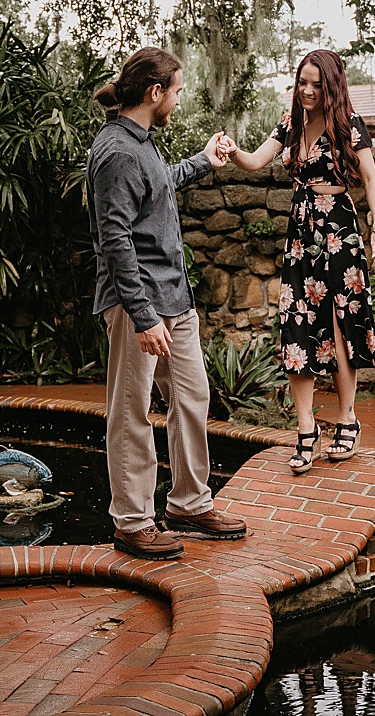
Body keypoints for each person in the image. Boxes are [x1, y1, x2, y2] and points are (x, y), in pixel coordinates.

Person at [86, 47, 249, 560]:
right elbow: (115, 241)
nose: (178, 100)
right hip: (141, 307)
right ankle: (132, 521)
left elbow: (158, 189)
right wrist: (141, 315)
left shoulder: (142, 145)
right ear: (155, 93)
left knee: (192, 400)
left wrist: (204, 161)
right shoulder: (115, 152)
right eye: (176, 91)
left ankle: (189, 504)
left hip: (175, 301)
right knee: (131, 411)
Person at [220, 49, 375, 475]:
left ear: (330, 85)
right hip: (301, 234)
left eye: (316, 83)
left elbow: (371, 179)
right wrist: (232, 150)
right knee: (297, 321)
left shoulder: (348, 124)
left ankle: (348, 418)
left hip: (339, 229)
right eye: (302, 82)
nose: (308, 90)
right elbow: (257, 161)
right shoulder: (290, 123)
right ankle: (305, 429)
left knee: (339, 323)